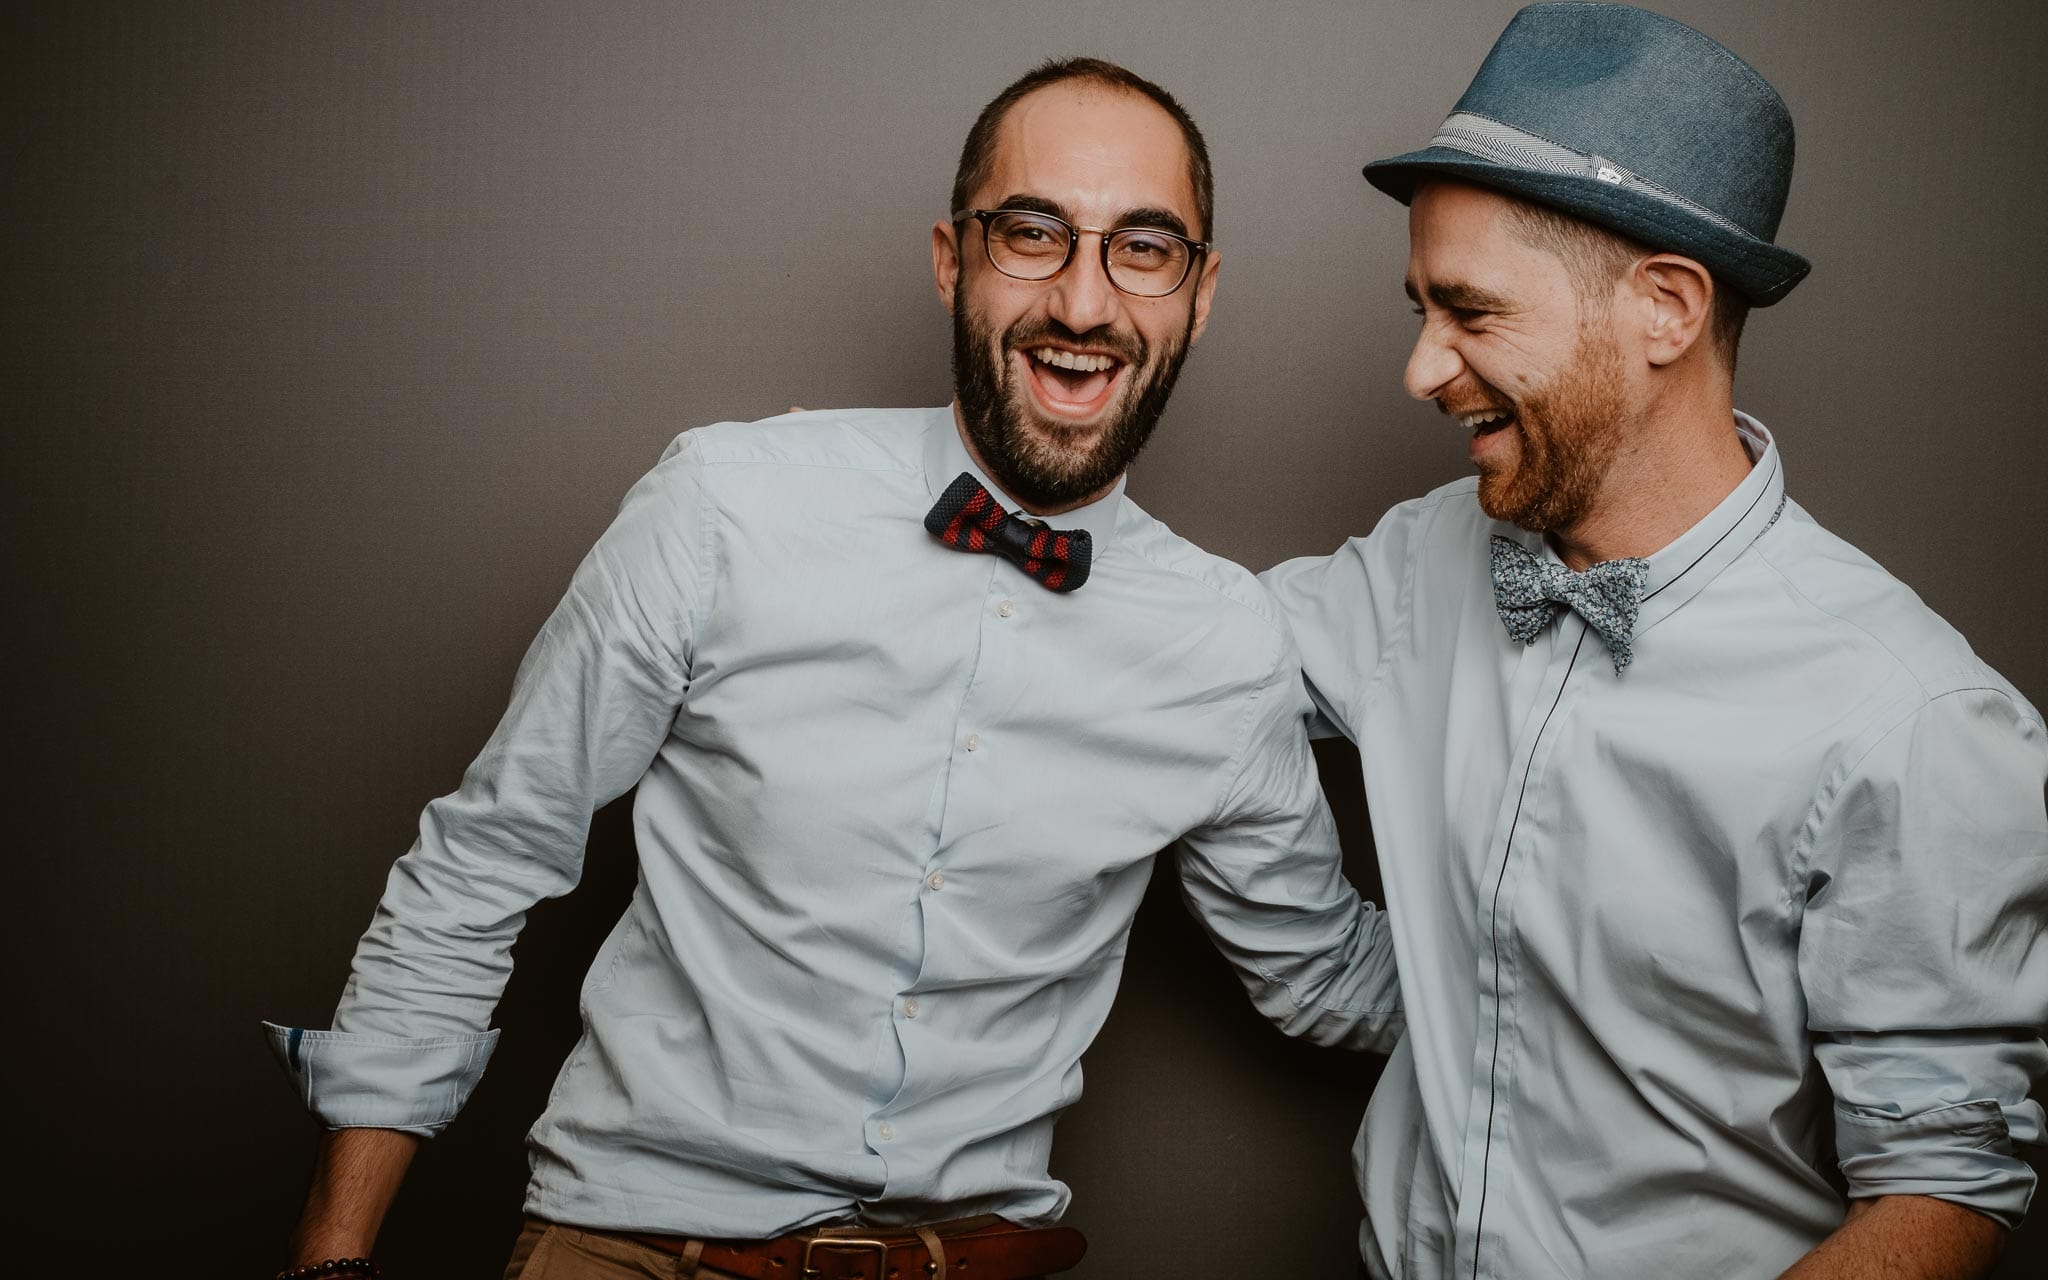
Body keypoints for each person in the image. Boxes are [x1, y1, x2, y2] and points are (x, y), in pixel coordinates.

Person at [263, 56, 1402, 1280]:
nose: (1084, 300)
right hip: (634, 1247)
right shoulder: (725, 506)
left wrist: (1602, 975)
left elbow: (1323, 970)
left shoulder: (1222, 643)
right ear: (948, 258)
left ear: (1199, 292)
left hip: (973, 1258)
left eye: (1143, 246)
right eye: (1031, 233)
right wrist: (333, 1253)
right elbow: (490, 854)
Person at [1261, 6, 2048, 1278]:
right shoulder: (1421, 558)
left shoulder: (1911, 719)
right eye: (1419, 306)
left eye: (1467, 310)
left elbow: (1938, 1192)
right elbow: (1191, 658)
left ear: (1666, 308)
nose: (1419, 368)